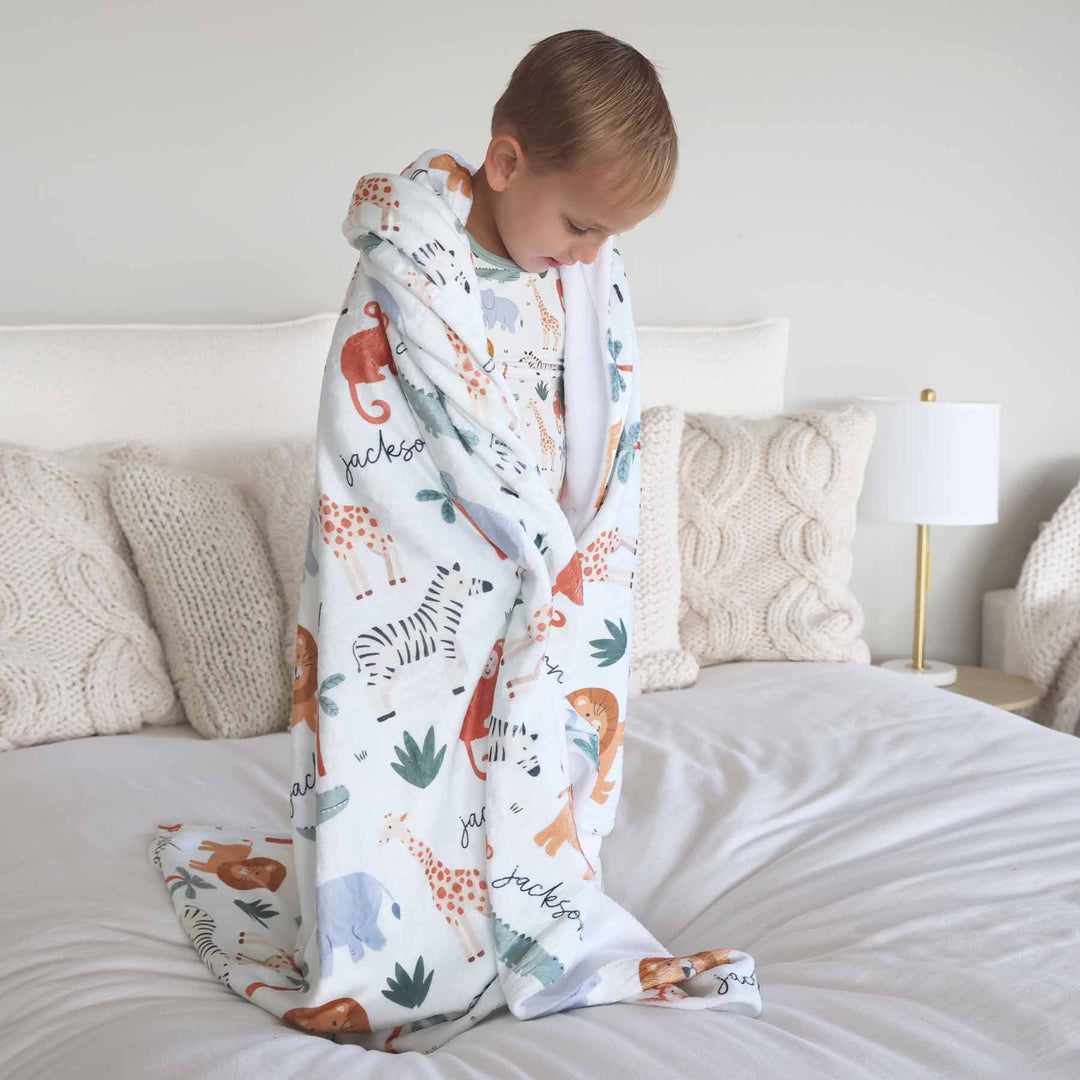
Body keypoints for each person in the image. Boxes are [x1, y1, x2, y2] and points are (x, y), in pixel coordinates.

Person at [462, 27, 678, 508]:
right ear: (505, 164)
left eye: (608, 236)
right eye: (580, 227)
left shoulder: (579, 285)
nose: (590, 256)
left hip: (547, 556)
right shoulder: (413, 257)